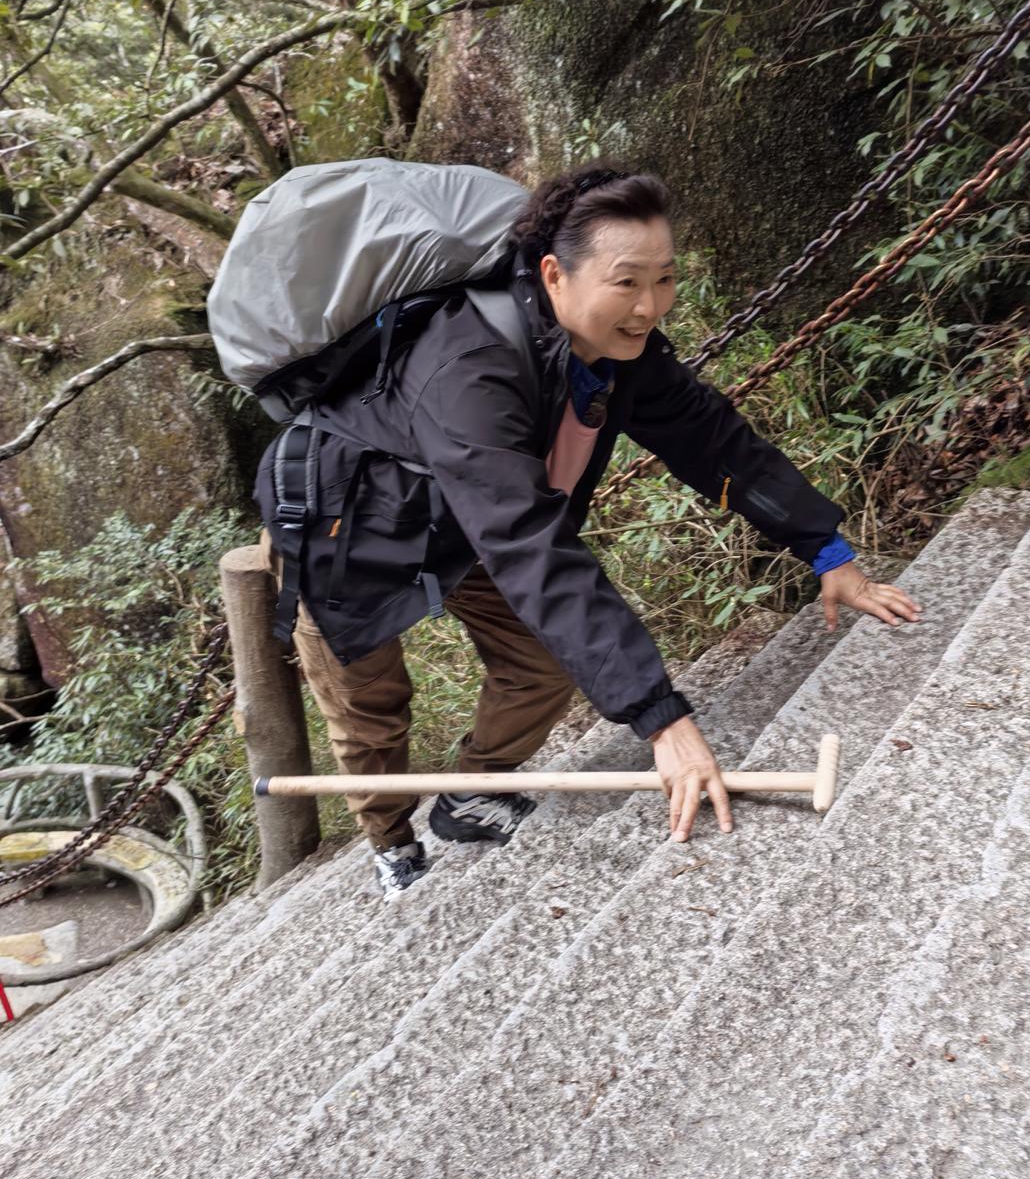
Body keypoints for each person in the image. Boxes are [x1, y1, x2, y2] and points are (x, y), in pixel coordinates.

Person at [257, 166, 920, 901]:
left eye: (664, 280)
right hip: (345, 524)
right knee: (371, 711)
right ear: (554, 274)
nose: (649, 307)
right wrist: (662, 719)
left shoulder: (610, 349)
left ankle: (468, 793)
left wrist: (827, 550)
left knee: (541, 663)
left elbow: (715, 442)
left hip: (465, 513)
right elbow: (532, 546)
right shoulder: (468, 369)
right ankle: (394, 847)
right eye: (627, 282)